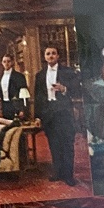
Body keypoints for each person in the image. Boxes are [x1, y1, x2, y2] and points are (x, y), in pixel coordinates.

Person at [33, 44, 81, 184]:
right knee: (54, 145)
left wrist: (64, 88)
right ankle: (57, 172)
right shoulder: (40, 75)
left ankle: (68, 175)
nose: (51, 56)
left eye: (53, 53)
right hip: (48, 113)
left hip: (64, 112)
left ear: (58, 56)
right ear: (44, 57)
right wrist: (37, 116)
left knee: (67, 144)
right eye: (48, 54)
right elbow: (38, 97)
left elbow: (77, 88)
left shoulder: (68, 72)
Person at [0, 56, 29, 121]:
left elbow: (24, 94)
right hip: (4, 105)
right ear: (2, 63)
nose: (6, 63)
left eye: (8, 61)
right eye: (4, 61)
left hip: (15, 105)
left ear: (12, 62)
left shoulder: (19, 76)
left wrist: (22, 109)